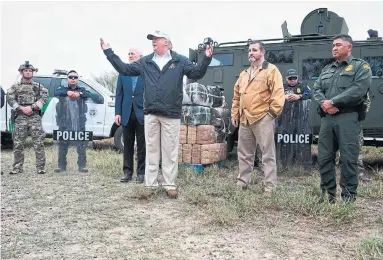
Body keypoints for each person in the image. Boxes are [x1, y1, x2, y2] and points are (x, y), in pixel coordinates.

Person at [100, 31, 213, 198]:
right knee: (151, 150)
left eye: (156, 39)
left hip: (171, 113)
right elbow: (125, 69)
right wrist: (109, 53)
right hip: (151, 113)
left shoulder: (179, 60)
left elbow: (196, 73)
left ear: (166, 42)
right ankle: (150, 184)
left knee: (170, 151)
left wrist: (207, 58)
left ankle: (169, 184)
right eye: (152, 39)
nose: (153, 41)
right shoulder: (146, 61)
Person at [313, 34, 372, 203]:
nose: (334, 47)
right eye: (333, 45)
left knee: (348, 159)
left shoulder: (361, 67)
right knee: (324, 158)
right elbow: (316, 88)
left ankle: (348, 198)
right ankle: (327, 195)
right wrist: (324, 104)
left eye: (338, 44)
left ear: (349, 47)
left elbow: (358, 89)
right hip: (328, 119)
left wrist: (332, 101)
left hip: (348, 118)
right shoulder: (327, 69)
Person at [231, 41, 285, 193]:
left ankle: (270, 187)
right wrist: (235, 113)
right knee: (244, 154)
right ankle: (242, 183)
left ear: (262, 52)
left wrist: (271, 114)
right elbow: (236, 96)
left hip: (263, 118)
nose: (250, 53)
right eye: (249, 50)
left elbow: (278, 94)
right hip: (245, 119)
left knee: (267, 154)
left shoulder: (271, 70)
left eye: (254, 50)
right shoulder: (244, 74)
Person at [6, 61, 48, 175]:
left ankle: (41, 167)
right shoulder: (15, 87)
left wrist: (33, 107)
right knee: (18, 143)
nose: (28, 72)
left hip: (34, 117)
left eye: (30, 71)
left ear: (33, 73)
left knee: (38, 142)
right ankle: (17, 167)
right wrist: (20, 107)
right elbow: (9, 97)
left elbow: (45, 96)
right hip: (20, 117)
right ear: (21, 72)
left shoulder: (38, 86)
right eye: (26, 70)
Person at [114, 48, 146, 183]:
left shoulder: (145, 72)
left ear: (141, 56)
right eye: (129, 54)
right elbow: (119, 94)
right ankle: (127, 173)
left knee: (142, 145)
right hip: (126, 113)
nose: (130, 55)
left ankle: (141, 173)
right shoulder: (123, 73)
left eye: (133, 53)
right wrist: (117, 113)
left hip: (142, 113)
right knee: (127, 145)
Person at [54, 70, 92, 173]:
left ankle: (82, 166)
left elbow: (92, 95)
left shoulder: (83, 90)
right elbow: (56, 92)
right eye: (71, 77)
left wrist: (79, 93)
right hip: (64, 122)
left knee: (81, 145)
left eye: (75, 77)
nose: (73, 79)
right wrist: (67, 92)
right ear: (67, 79)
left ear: (78, 79)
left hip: (79, 123)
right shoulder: (62, 89)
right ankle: (61, 166)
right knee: (62, 144)